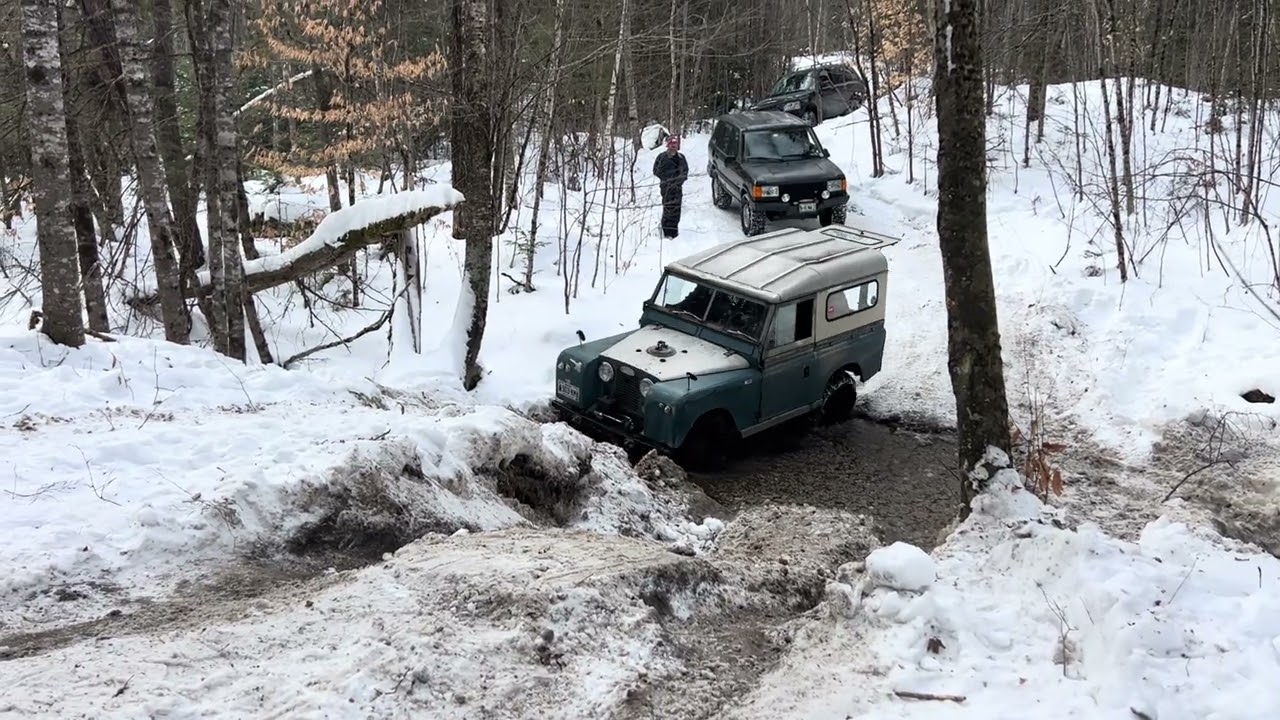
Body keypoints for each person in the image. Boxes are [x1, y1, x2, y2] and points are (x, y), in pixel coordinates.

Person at [652, 134, 689, 238]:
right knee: (668, 208)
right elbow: (656, 171)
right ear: (668, 145)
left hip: (677, 188)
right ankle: (666, 231)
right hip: (666, 188)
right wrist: (667, 180)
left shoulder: (681, 158)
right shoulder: (662, 157)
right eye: (671, 145)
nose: (673, 147)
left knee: (677, 210)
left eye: (675, 145)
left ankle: (674, 232)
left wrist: (679, 181)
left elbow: (685, 172)